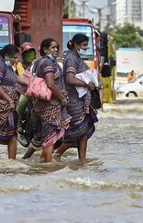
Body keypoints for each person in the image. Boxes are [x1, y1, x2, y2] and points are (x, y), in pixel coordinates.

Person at [23, 38, 71, 163]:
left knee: (43, 135)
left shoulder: (39, 62)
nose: (56, 50)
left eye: (57, 48)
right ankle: (48, 168)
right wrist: (61, 98)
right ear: (45, 49)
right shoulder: (48, 64)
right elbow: (50, 84)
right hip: (50, 105)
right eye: (53, 48)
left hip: (40, 104)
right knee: (50, 138)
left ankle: (35, 161)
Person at [55, 34, 98, 164]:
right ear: (76, 44)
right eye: (84, 45)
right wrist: (87, 84)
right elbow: (69, 79)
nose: (86, 47)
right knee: (77, 131)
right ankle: (57, 154)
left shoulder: (76, 57)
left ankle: (82, 161)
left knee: (83, 131)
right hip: (73, 100)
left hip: (81, 100)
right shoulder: (71, 58)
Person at [16, 42, 37, 135]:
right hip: (26, 89)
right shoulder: (20, 64)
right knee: (21, 102)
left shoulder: (38, 62)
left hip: (39, 87)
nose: (29, 55)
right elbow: (21, 76)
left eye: (31, 52)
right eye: (27, 53)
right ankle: (19, 122)